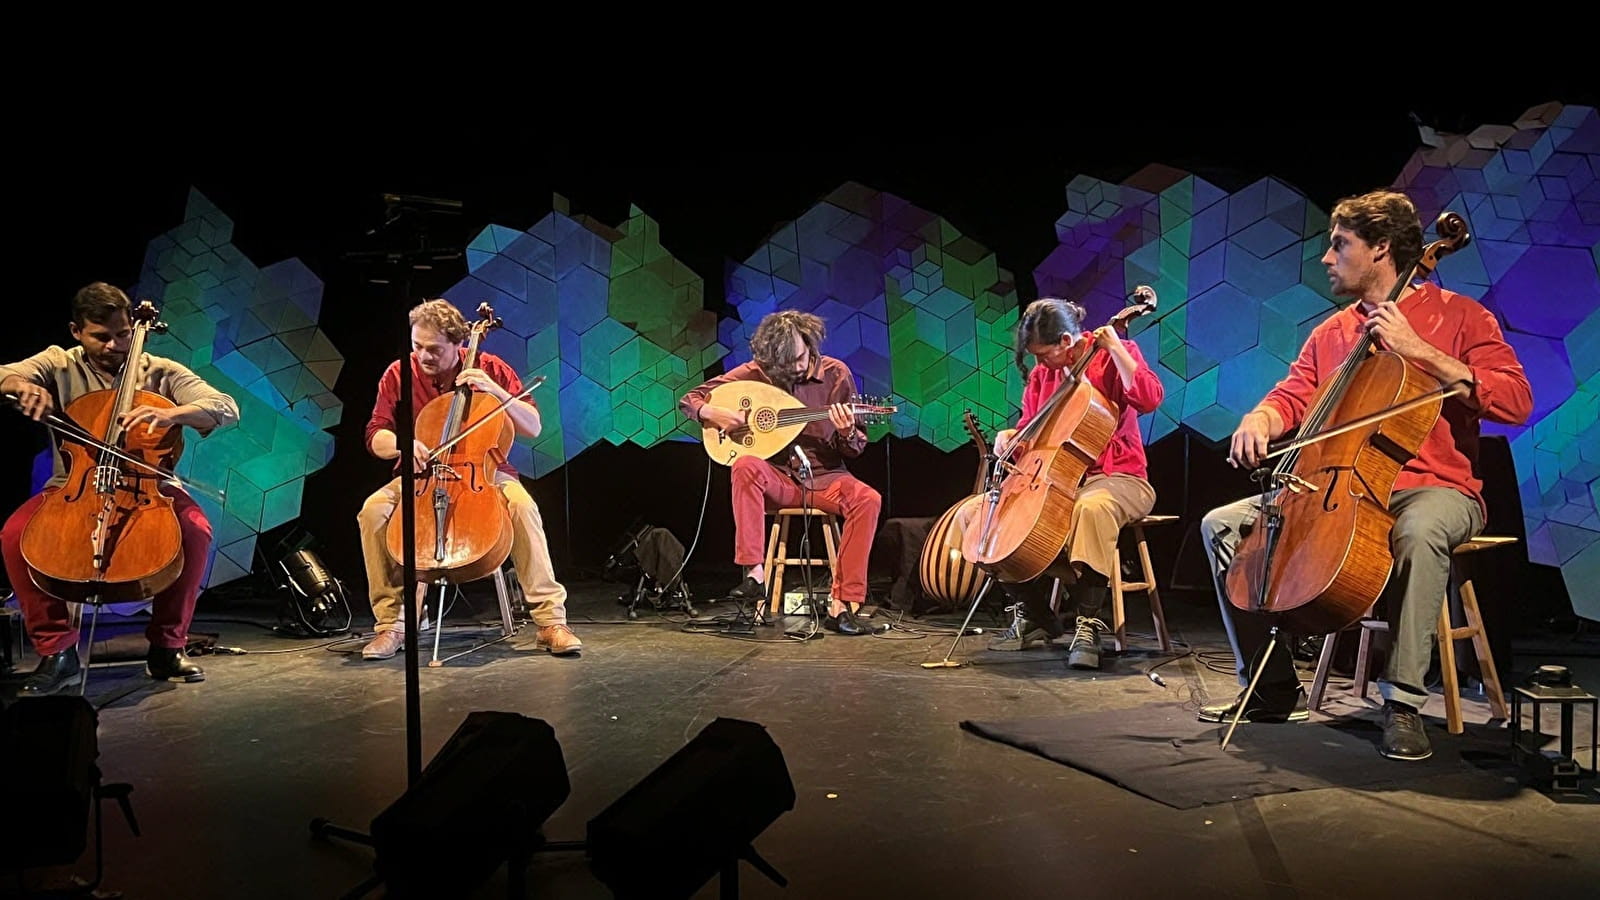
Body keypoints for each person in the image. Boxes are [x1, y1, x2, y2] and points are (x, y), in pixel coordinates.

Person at [1199, 190, 1532, 760]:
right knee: (1221, 525)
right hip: (1339, 487)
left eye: (1339, 245)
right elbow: (1296, 394)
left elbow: (1516, 401)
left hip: (1436, 489)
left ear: (1381, 248)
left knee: (1419, 530)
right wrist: (1261, 417)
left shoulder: (1461, 316)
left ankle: (1402, 703)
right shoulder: (1332, 333)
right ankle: (1273, 686)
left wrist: (1419, 350)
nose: (1327, 259)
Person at [1, 282, 239, 694]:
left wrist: (174, 415)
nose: (115, 345)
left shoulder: (160, 370)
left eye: (123, 334)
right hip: (72, 485)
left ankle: (167, 645)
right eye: (102, 336)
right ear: (77, 331)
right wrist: (23, 386)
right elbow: (4, 374)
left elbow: (225, 408)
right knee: (14, 536)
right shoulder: (60, 362)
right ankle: (57, 651)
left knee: (195, 532)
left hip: (150, 485)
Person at [356, 300, 580, 659]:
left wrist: (497, 392)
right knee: (373, 511)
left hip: (486, 474)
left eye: (434, 349)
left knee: (523, 506)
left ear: (459, 344)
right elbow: (375, 434)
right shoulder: (399, 373)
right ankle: (393, 623)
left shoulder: (491, 368)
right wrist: (402, 443)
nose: (423, 356)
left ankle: (551, 621)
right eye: (417, 346)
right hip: (421, 477)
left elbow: (533, 427)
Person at [976, 296, 1164, 669]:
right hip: (1057, 480)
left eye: (1044, 354)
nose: (1039, 363)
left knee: (1090, 508)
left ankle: (1089, 622)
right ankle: (1036, 615)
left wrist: (1116, 349)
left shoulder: (1113, 354)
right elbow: (1032, 436)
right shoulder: (1042, 377)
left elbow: (1149, 398)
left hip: (1118, 477)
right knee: (982, 516)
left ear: (1066, 341)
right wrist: (1011, 436)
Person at [680, 311, 882, 634]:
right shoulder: (759, 374)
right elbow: (690, 400)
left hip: (825, 477)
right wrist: (712, 412)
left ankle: (843, 605)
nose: (797, 368)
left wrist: (846, 433)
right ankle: (754, 575)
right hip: (779, 479)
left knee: (868, 499)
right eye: (786, 364)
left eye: (800, 358)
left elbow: (855, 448)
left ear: (809, 342)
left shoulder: (836, 375)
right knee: (745, 465)